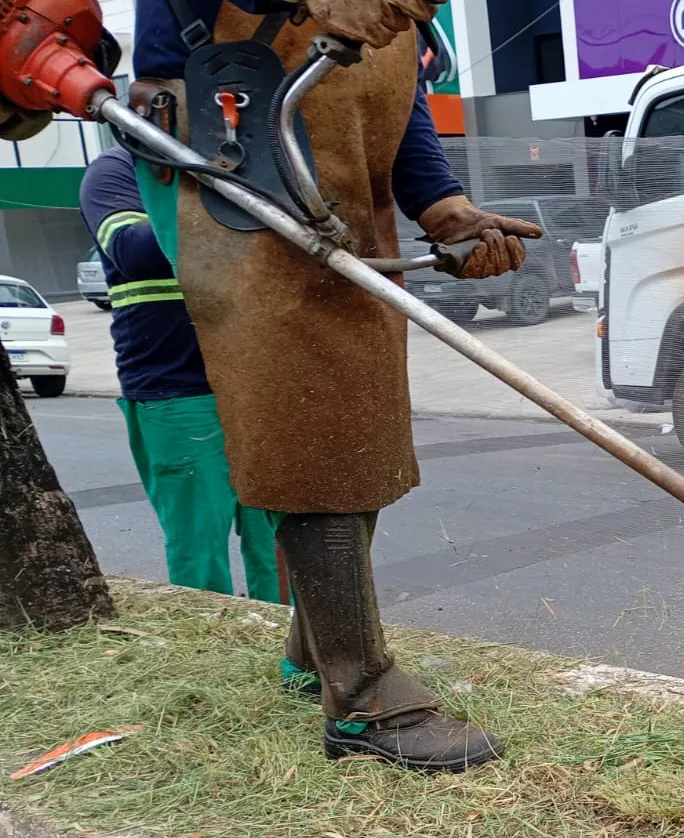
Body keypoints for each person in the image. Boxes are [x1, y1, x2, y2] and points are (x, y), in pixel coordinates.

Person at [131, 0, 542, 771]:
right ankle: (361, 704)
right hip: (234, 180)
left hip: (349, 205)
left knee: (357, 426)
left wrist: (444, 207)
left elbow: (400, 108)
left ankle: (318, 653)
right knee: (307, 428)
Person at [78, 147, 282, 605]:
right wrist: (239, 207)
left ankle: (289, 654)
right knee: (199, 555)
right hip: (177, 393)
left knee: (277, 551)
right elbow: (134, 251)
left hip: (259, 387)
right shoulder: (117, 171)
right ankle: (215, 656)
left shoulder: (246, 162)